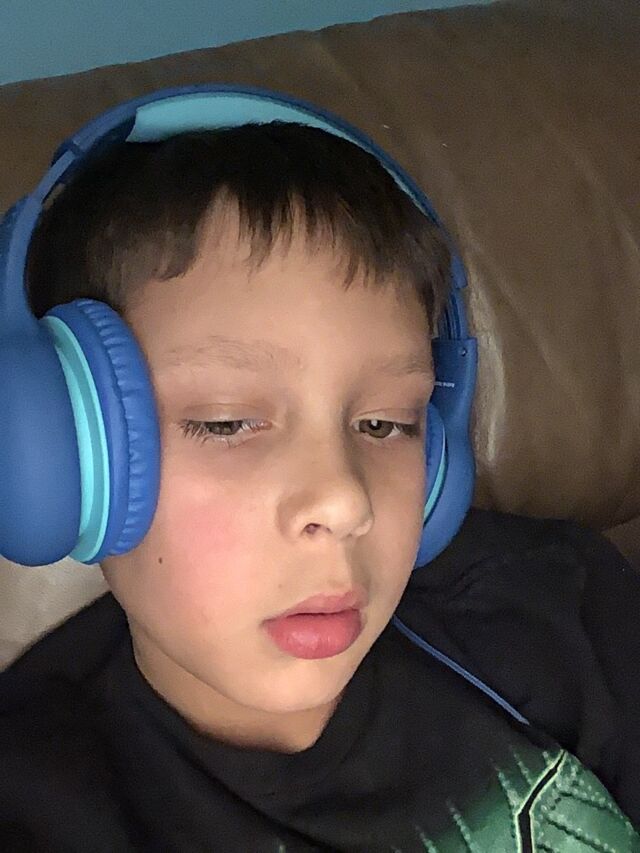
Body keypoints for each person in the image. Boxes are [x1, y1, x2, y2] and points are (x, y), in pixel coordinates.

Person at [1, 90, 639, 852]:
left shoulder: (564, 609)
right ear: (66, 454)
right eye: (228, 422)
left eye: (385, 423)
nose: (344, 500)